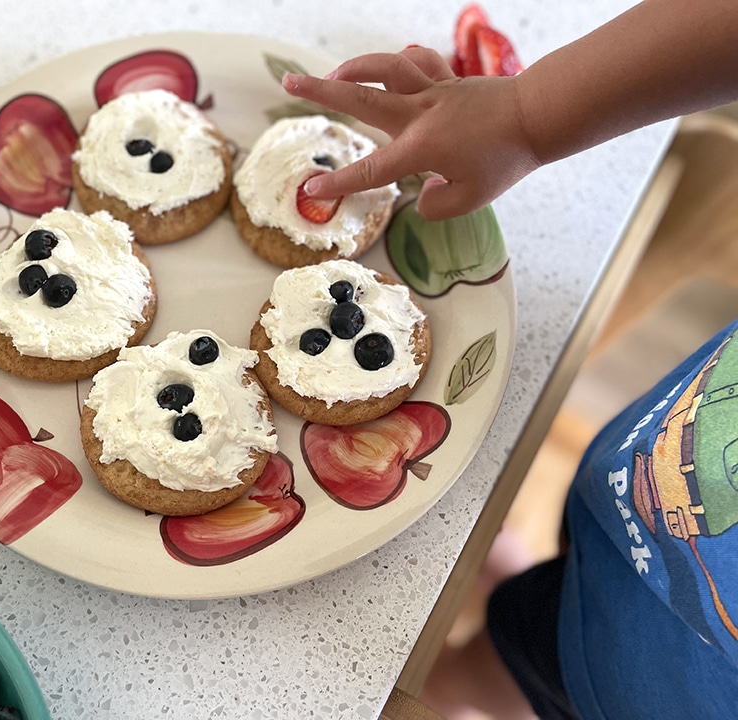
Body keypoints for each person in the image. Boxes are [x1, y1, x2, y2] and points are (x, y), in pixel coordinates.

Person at [282, 1, 738, 717]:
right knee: (527, 634)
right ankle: (503, 627)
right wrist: (528, 116)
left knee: (520, 674)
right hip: (631, 520)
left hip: (630, 697)